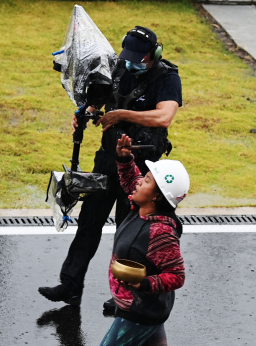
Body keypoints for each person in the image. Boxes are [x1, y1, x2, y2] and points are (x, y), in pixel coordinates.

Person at [52, 133, 190, 346]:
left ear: (156, 197)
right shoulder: (137, 206)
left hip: (138, 311)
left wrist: (144, 284)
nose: (140, 180)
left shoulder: (161, 231)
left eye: (148, 180)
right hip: (149, 309)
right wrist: (125, 159)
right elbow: (130, 181)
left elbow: (176, 275)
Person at [39, 26, 183, 310]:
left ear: (154, 54)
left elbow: (165, 116)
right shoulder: (118, 67)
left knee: (128, 234)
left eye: (138, 59)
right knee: (88, 223)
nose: (131, 64)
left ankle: (126, 296)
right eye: (127, 57)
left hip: (140, 168)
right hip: (107, 160)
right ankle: (70, 285)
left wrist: (121, 115)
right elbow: (98, 99)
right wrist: (85, 113)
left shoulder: (167, 77)